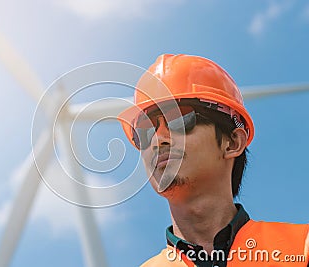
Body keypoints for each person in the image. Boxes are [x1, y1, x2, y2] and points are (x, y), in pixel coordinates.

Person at [117, 54, 309, 266]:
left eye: (178, 119)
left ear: (233, 142)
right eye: (144, 130)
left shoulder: (302, 248)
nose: (157, 139)